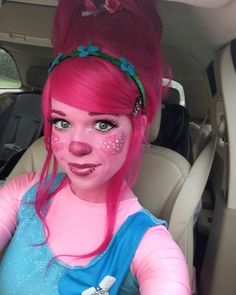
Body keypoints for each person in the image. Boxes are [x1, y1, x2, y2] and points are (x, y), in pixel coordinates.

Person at [0, 0, 191, 294]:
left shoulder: (148, 244)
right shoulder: (24, 191)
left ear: (139, 126)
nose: (76, 147)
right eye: (61, 122)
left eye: (102, 124)